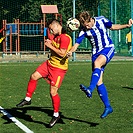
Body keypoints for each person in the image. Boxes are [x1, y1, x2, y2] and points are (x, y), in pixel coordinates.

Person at [67, 11, 133, 119]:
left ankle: (90, 89)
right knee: (99, 82)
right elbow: (76, 45)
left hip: (108, 48)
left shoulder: (101, 20)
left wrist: (126, 25)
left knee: (97, 63)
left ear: (91, 19)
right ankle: (108, 107)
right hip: (96, 54)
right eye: (84, 25)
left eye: (88, 24)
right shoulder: (83, 31)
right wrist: (70, 51)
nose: (87, 27)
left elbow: (112, 27)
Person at [16, 19, 72, 127]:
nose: (50, 30)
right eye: (50, 28)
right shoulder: (53, 35)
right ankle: (28, 99)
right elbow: (47, 30)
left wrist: (50, 46)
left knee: (53, 92)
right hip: (49, 64)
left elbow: (62, 53)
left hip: (59, 69)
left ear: (57, 26)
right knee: (34, 76)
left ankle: (56, 115)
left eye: (52, 28)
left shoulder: (65, 38)